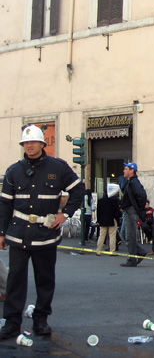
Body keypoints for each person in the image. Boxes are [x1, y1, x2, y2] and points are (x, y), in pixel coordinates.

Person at [0, 125, 84, 339]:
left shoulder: (58, 167)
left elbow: (78, 189)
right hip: (19, 234)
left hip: (45, 234)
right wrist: (1, 232)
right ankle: (11, 323)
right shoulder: (13, 171)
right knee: (15, 281)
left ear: (41, 144)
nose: (28, 146)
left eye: (32, 142)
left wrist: (65, 214)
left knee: (45, 280)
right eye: (25, 143)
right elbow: (5, 205)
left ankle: (41, 320)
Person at [119, 162, 148, 267]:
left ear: (132, 171)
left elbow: (141, 195)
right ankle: (139, 252)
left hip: (131, 211)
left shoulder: (134, 182)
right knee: (123, 234)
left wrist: (139, 209)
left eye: (126, 169)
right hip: (127, 211)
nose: (124, 170)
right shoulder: (129, 182)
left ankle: (132, 259)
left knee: (130, 236)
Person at [96, 183, 121, 255]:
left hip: (103, 219)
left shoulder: (100, 200)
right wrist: (117, 219)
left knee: (102, 235)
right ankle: (112, 250)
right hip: (112, 219)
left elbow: (98, 211)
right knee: (112, 235)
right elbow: (117, 211)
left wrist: (98, 220)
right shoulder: (114, 200)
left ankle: (98, 250)